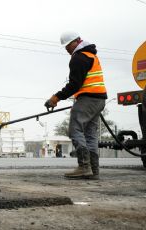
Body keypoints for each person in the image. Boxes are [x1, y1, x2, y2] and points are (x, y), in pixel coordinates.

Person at [45, 31, 107, 179]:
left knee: (75, 129)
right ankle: (93, 171)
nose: (66, 49)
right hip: (99, 100)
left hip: (88, 99)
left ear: (76, 42)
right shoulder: (91, 55)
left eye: (67, 46)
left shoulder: (79, 58)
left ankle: (84, 166)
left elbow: (74, 85)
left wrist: (56, 98)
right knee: (90, 135)